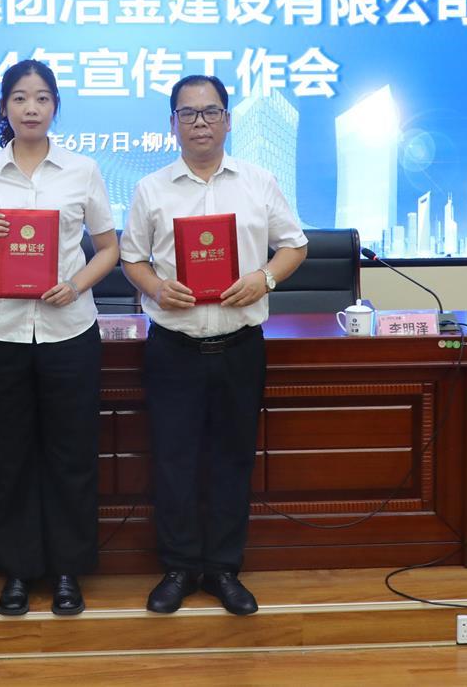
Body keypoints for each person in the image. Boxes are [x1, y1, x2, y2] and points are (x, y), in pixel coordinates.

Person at [120, 74, 307, 615]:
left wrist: (264, 279)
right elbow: (132, 258)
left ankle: (224, 569)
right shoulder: (151, 188)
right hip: (174, 349)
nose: (199, 122)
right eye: (188, 113)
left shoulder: (258, 182)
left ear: (228, 120)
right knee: (173, 461)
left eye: (210, 112)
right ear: (172, 123)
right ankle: (179, 568)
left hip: (239, 346)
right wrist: (157, 287)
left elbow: (294, 246)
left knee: (232, 460)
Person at [0, 58, 119, 616]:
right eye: (20, 98)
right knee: (9, 458)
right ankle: (19, 572)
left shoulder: (82, 170)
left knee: (72, 456)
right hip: (0, 333)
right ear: (4, 107)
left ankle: (68, 570)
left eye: (43, 98)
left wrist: (76, 285)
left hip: (69, 332)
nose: (31, 108)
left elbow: (109, 248)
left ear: (55, 107)